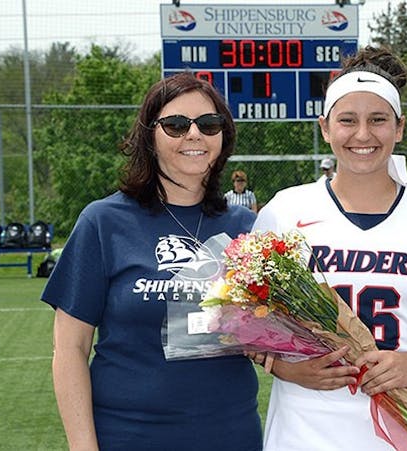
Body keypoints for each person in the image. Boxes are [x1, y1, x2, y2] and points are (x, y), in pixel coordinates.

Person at [252, 46, 407, 451]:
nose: (362, 135)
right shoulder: (285, 211)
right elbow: (245, 322)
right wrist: (288, 369)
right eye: (347, 120)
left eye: (378, 120)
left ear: (399, 128)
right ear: (325, 128)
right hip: (306, 432)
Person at [41, 72, 262, 450]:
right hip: (129, 436)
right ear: (149, 135)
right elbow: (70, 349)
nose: (194, 135)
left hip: (231, 436)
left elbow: (272, 338)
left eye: (209, 124)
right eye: (176, 125)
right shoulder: (103, 222)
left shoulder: (247, 228)